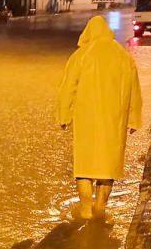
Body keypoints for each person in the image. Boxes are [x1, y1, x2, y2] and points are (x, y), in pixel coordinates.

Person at [57, 15, 142, 220]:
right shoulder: (123, 56)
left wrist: (64, 115)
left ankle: (86, 208)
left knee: (85, 165)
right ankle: (100, 208)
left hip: (86, 118)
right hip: (114, 120)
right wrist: (134, 118)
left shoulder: (81, 55)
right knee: (108, 165)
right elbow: (134, 90)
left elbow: (68, 87)